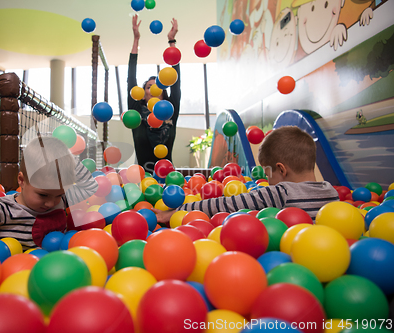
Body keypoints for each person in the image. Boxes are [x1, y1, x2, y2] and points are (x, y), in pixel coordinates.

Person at [154, 126, 340, 223]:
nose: (266, 181)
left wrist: (174, 213)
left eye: (268, 174)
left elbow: (225, 204)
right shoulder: (332, 192)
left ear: (281, 169)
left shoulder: (281, 192)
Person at [0, 136, 98, 250]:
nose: (52, 203)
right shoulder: (4, 209)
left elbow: (90, 187)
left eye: (59, 194)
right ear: (22, 180)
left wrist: (68, 162)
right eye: (43, 195)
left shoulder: (62, 200)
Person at [128, 14, 181, 174]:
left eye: (157, 87)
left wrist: (172, 41)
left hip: (169, 179)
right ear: (142, 95)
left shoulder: (170, 112)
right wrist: (136, 40)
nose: (153, 90)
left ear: (164, 94)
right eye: (148, 87)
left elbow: (176, 83)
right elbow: (131, 78)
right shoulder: (136, 114)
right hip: (142, 180)